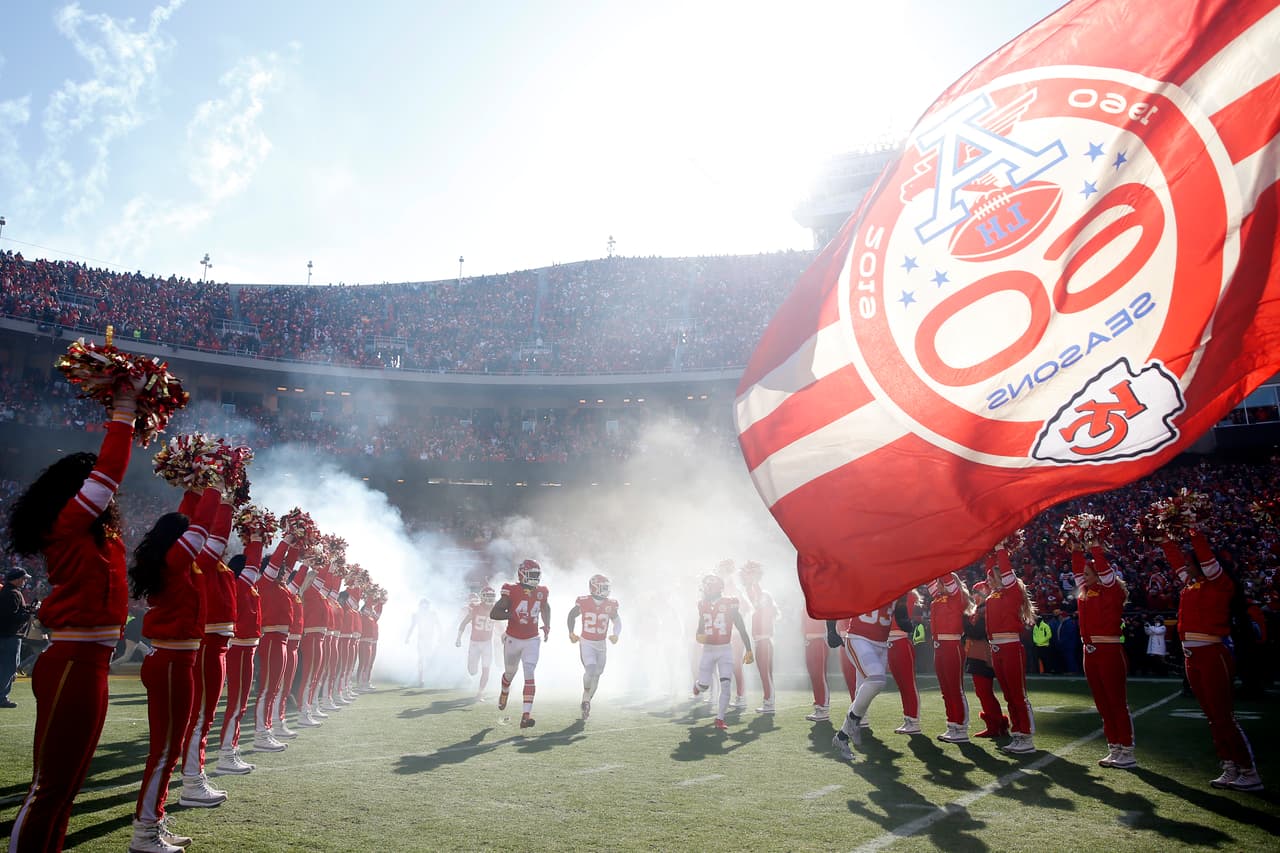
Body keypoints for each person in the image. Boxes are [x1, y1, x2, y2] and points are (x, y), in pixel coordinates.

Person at [6, 379, 139, 853]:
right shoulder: (67, 522)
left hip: (90, 662)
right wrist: (124, 410)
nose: (104, 494)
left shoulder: (91, 532)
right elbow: (109, 472)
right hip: (72, 662)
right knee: (49, 788)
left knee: (66, 786)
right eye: (90, 485)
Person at [129, 484, 221, 853]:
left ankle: (154, 820)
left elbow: (200, 531)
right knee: (165, 752)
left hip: (176, 660)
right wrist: (216, 484)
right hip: (170, 662)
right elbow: (199, 527)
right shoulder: (174, 561)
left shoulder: (178, 562)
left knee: (170, 750)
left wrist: (195, 490)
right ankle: (144, 832)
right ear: (179, 541)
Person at [1159, 528, 1263, 792]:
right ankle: (1229, 766)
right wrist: (1164, 539)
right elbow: (1175, 561)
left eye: (1190, 563)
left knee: (1223, 716)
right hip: (1192, 656)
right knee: (1212, 716)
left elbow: (1204, 556)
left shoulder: (1219, 583)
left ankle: (1249, 771)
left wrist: (1192, 528)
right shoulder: (1191, 584)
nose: (1186, 567)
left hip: (1213, 655)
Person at [178, 488, 236, 808]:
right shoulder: (199, 557)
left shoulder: (207, 562)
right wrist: (221, 499)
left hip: (216, 644)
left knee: (204, 714)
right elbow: (210, 534)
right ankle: (191, 779)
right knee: (200, 715)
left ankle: (192, 774)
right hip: (208, 643)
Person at [1070, 542, 1136, 769]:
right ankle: (1114, 746)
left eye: (1089, 574)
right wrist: (1075, 547)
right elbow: (1077, 568)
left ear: (1101, 574)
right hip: (1089, 652)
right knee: (1102, 703)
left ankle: (1127, 749)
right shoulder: (1085, 592)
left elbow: (1104, 570)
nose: (1083, 577)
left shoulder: (1111, 589)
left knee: (1116, 701)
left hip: (1109, 650)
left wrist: (1095, 547)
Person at [215, 540, 264, 775]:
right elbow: (255, 563)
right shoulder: (239, 585)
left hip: (246, 648)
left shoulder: (246, 586)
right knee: (235, 704)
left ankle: (230, 749)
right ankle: (226, 753)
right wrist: (256, 538)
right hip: (239, 647)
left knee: (239, 704)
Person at [828, 596, 897, 760]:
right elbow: (836, 600)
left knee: (863, 688)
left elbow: (900, 613)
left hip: (881, 644)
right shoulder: (866, 575)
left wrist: (907, 620)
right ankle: (845, 733)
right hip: (859, 638)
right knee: (877, 679)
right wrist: (830, 628)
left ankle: (847, 733)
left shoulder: (899, 582)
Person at [985, 546, 1037, 754]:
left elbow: (1005, 571)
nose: (987, 580)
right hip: (996, 648)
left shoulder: (1011, 592)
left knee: (1017, 694)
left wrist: (1000, 549)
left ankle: (1026, 735)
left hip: (1011, 647)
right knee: (1008, 694)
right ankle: (1017, 734)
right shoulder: (994, 596)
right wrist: (990, 554)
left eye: (991, 577)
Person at [490, 559, 550, 729]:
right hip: (513, 638)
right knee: (510, 672)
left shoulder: (542, 591)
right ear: (522, 574)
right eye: (531, 575)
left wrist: (547, 625)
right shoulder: (512, 589)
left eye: (537, 575)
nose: (535, 579)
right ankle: (504, 690)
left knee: (529, 673)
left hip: (532, 638)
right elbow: (494, 613)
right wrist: (512, 616)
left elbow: (546, 607)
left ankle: (526, 715)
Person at [693, 573, 753, 731]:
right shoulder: (702, 604)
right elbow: (701, 623)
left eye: (709, 585)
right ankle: (698, 686)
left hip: (725, 649)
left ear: (717, 587)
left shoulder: (729, 603)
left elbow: (740, 626)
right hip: (708, 649)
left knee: (726, 685)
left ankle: (720, 718)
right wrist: (698, 633)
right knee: (704, 686)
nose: (706, 588)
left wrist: (749, 648)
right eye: (706, 586)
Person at [567, 573, 621, 720]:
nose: (606, 590)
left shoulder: (610, 604)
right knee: (590, 668)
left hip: (601, 644)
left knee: (598, 673)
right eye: (603, 587)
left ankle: (586, 701)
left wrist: (616, 634)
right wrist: (571, 632)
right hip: (587, 642)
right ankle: (586, 696)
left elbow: (617, 622)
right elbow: (571, 615)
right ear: (595, 587)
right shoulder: (584, 602)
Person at [929, 572, 972, 743]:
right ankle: (952, 724)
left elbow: (945, 575)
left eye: (941, 582)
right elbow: (928, 578)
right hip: (938, 647)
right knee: (945, 690)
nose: (938, 585)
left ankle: (961, 727)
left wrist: (941, 563)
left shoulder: (956, 597)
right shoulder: (938, 598)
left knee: (955, 688)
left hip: (952, 646)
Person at [964, 580, 1008, 738]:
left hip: (983, 654)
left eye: (977, 593)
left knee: (984, 691)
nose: (974, 596)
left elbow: (977, 632)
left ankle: (995, 725)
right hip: (979, 653)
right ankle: (997, 723)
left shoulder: (985, 610)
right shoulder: (980, 609)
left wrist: (963, 618)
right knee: (983, 692)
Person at [738, 561, 777, 714]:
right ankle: (769, 701)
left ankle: (769, 702)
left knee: (765, 672)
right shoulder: (762, 598)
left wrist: (753, 581)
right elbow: (752, 599)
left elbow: (756, 597)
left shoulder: (764, 595)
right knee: (766, 672)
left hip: (764, 640)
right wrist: (750, 583)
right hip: (762, 640)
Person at [888, 591, 922, 734]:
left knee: (908, 684)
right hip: (890, 643)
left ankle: (913, 720)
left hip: (901, 641)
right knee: (901, 685)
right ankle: (907, 718)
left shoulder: (908, 595)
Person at [0, 567, 33, 708]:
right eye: (23, 578)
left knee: (6, 667)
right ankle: (2, 697)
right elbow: (12, 618)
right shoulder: (13, 593)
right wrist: (29, 615)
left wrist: (26, 610)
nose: (25, 581)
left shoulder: (7, 592)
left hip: (5, 635)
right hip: (10, 636)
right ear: (17, 578)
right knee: (9, 668)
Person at [456, 590, 496, 698]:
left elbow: (501, 625)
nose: (490, 599)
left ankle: (480, 692)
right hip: (474, 643)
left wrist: (504, 636)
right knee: (472, 671)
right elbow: (464, 623)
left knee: (486, 669)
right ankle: (476, 682)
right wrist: (458, 638)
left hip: (487, 643)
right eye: (488, 596)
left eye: (492, 596)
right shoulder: (476, 608)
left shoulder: (496, 609)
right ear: (483, 597)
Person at [801, 610, 833, 722]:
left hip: (818, 641)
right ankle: (818, 705)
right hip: (809, 642)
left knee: (820, 675)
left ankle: (823, 707)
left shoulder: (818, 601)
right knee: (814, 675)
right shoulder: (805, 603)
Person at [406, 596, 438, 688]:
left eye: (426, 605)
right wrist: (408, 637)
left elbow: (438, 625)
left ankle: (426, 678)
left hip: (429, 638)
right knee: (421, 659)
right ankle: (421, 679)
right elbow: (412, 626)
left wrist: (441, 635)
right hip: (422, 639)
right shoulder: (417, 615)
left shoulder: (432, 614)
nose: (425, 607)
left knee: (428, 658)